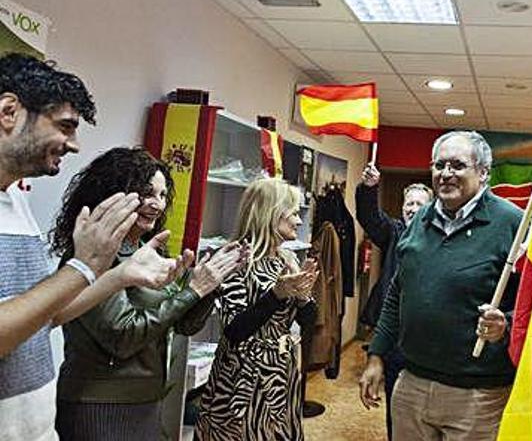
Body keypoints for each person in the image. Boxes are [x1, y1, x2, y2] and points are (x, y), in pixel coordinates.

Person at [0, 53, 185, 441]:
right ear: (8, 111)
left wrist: (118, 274)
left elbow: (45, 314)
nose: (74, 144)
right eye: (65, 126)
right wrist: (81, 267)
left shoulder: (14, 200)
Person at [48, 147, 247, 440]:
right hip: (99, 403)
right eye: (147, 193)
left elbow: (183, 324)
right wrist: (191, 291)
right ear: (113, 194)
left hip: (146, 400)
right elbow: (123, 336)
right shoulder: (92, 255)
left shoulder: (146, 249)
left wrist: (209, 285)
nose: (157, 204)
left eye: (163, 195)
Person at [359, 130, 523, 441]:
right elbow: (397, 294)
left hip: (477, 395)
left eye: (458, 166)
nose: (446, 174)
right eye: (439, 165)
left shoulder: (513, 223)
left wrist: (507, 325)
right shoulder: (419, 220)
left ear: (484, 173)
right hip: (411, 384)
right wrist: (377, 355)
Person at [196, 179, 319, 441]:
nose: (299, 221)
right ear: (271, 214)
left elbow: (307, 322)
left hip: (279, 376)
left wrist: (304, 298)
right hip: (241, 381)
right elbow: (234, 329)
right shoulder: (236, 259)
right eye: (294, 213)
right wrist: (278, 294)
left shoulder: (286, 258)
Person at [355, 163, 433, 440]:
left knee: (426, 412)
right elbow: (370, 217)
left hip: (427, 341)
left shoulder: (442, 239)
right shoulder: (394, 232)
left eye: (419, 203)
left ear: (431, 208)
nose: (412, 208)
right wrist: (368, 189)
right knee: (396, 408)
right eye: (408, 203)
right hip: (393, 338)